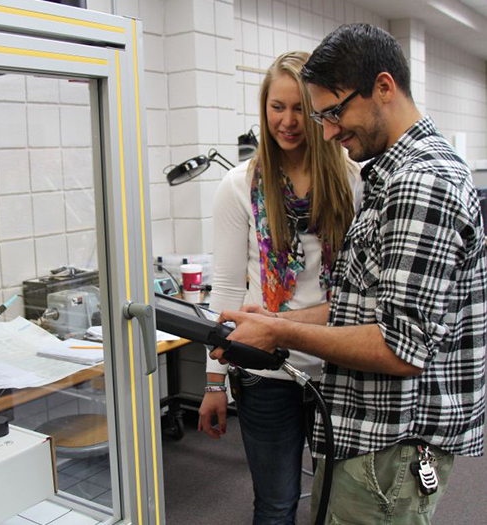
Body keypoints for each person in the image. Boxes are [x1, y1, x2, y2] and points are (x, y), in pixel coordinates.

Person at [212, 24, 487, 524]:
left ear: (383, 87)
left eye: (332, 112)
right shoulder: (388, 176)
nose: (328, 131)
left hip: (393, 436)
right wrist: (274, 324)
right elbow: (359, 306)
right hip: (366, 429)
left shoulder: (417, 184)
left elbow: (400, 347)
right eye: (321, 116)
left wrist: (279, 329)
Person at [197, 51, 359, 525]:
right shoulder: (239, 186)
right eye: (276, 107)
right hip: (266, 373)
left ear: (320, 112)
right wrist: (213, 385)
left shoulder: (353, 180)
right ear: (263, 109)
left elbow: (358, 288)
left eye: (301, 109)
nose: (287, 122)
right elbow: (226, 288)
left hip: (340, 366)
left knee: (340, 504)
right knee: (275, 503)